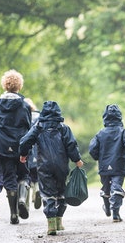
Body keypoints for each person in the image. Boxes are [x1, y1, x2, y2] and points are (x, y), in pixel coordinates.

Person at [19, 100, 84, 235]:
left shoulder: (38, 127)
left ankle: (51, 224)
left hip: (44, 165)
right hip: (62, 165)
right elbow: (71, 145)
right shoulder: (63, 128)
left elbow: (25, 141)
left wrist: (23, 154)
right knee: (61, 192)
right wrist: (77, 160)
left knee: (48, 193)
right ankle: (59, 220)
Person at [0, 69, 32, 225]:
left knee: (9, 178)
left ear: (5, 85)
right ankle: (22, 198)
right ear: (19, 86)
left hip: (2, 147)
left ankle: (14, 214)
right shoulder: (24, 105)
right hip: (20, 146)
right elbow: (28, 128)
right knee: (24, 175)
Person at [89, 104, 125, 222]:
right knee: (116, 187)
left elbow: (92, 149)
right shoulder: (123, 132)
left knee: (106, 187)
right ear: (119, 117)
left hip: (104, 166)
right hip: (119, 165)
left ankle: (107, 206)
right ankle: (115, 212)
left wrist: (97, 157)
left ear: (105, 118)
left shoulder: (100, 133)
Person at [24, 98, 41, 210]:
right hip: (37, 150)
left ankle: (26, 200)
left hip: (26, 149)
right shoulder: (39, 117)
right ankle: (38, 189)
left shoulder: (23, 117)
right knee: (37, 174)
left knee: (26, 175)